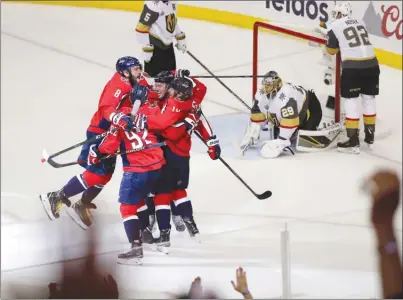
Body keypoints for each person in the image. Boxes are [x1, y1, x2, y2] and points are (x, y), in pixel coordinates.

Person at [39, 56, 149, 229]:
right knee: (98, 173)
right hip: (101, 133)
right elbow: (106, 108)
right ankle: (56, 196)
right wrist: (118, 117)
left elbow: (147, 84)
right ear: (126, 72)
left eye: (139, 68)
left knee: (104, 175)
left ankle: (82, 204)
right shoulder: (119, 85)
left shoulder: (134, 79)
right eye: (136, 69)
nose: (139, 71)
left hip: (113, 133)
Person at [144, 73, 220, 249]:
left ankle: (163, 233)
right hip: (183, 155)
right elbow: (201, 94)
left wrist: (140, 121)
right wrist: (211, 141)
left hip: (166, 154)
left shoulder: (172, 105)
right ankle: (191, 226)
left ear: (175, 91)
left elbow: (168, 130)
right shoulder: (191, 102)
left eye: (164, 86)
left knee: (160, 193)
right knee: (179, 191)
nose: (159, 89)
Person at [88, 101, 165, 263]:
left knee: (127, 208)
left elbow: (109, 147)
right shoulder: (146, 113)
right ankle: (146, 234)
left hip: (137, 169)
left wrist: (96, 151)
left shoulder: (119, 120)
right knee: (140, 199)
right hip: (157, 166)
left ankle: (136, 248)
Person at [324, 2, 380, 154]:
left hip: (353, 68)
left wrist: (326, 38)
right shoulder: (360, 22)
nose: (334, 16)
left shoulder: (334, 26)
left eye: (336, 13)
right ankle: (370, 137)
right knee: (369, 99)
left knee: (351, 102)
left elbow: (331, 50)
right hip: (373, 65)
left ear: (340, 14)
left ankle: (353, 141)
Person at [240, 70, 323, 158]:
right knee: (279, 131)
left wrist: (282, 141)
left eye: (270, 84)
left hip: (310, 108)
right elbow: (258, 114)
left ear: (277, 84)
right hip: (288, 115)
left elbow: (290, 123)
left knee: (303, 134)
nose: (266, 87)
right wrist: (253, 131)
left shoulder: (287, 98)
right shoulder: (260, 95)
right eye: (265, 83)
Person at [135, 0, 187, 77]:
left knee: (171, 75)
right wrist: (147, 48)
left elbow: (173, 21)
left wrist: (180, 37)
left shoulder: (172, 3)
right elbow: (141, 28)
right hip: (155, 46)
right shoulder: (152, 6)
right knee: (154, 79)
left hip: (168, 45)